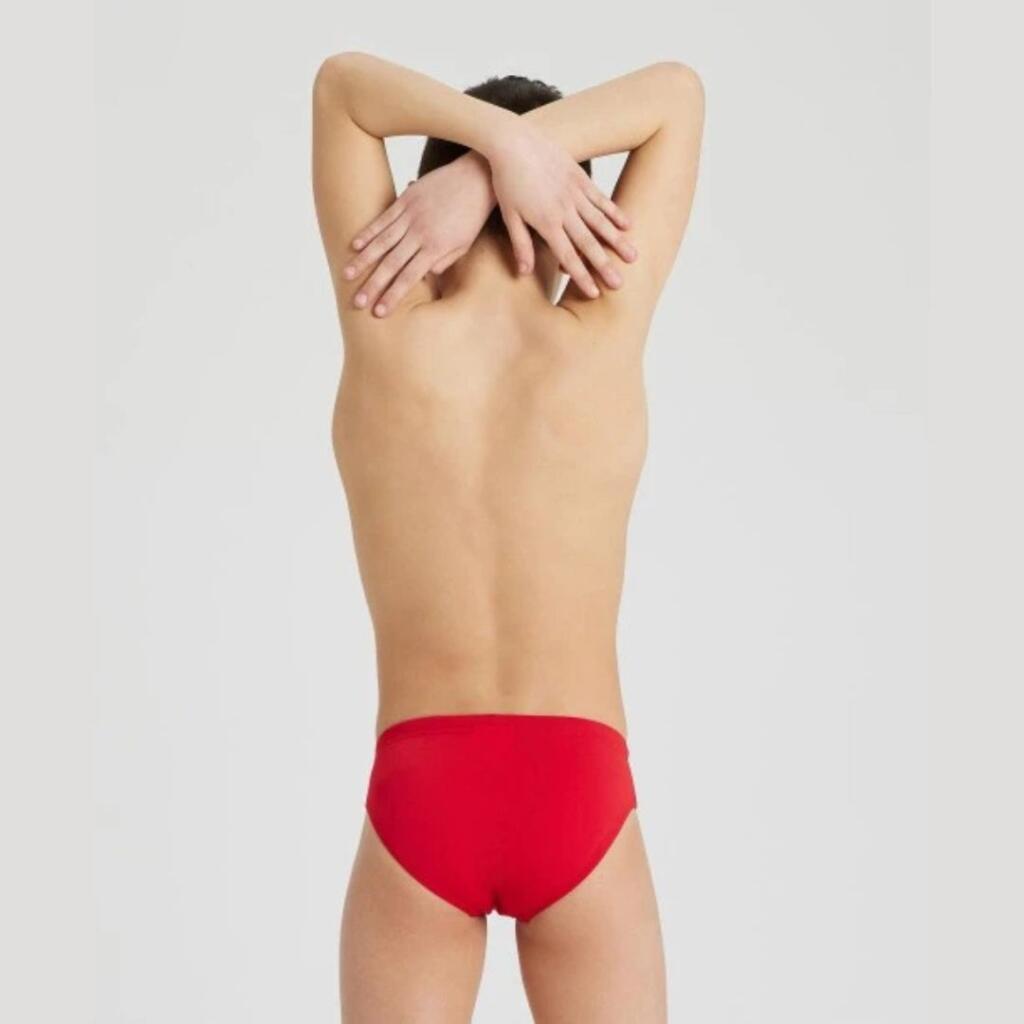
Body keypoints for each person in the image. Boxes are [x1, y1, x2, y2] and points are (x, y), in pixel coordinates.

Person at [312, 51, 704, 1023]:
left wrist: (480, 162)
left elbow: (341, 89)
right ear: (569, 206)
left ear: (426, 202)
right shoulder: (605, 328)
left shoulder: (380, 321)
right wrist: (519, 162)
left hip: (421, 788)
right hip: (580, 786)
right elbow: (677, 96)